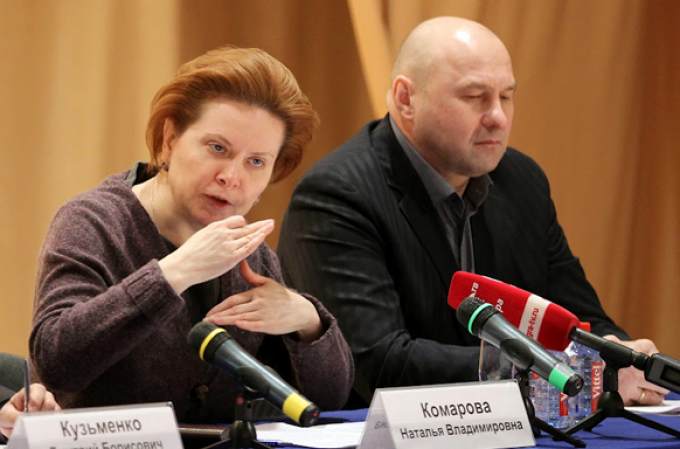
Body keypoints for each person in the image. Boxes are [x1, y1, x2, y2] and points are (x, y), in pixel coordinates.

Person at [278, 17, 667, 406]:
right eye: (474, 96)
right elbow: (378, 363)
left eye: (506, 96)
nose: (498, 116)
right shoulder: (338, 194)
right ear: (406, 99)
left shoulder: (522, 181)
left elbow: (579, 319)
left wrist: (622, 356)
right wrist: (561, 370)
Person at [30, 46, 353, 422]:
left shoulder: (252, 257)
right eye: (217, 148)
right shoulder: (94, 223)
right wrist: (174, 273)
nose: (231, 176)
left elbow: (330, 401)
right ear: (170, 139)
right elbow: (55, 363)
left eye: (256, 162)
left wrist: (306, 320)